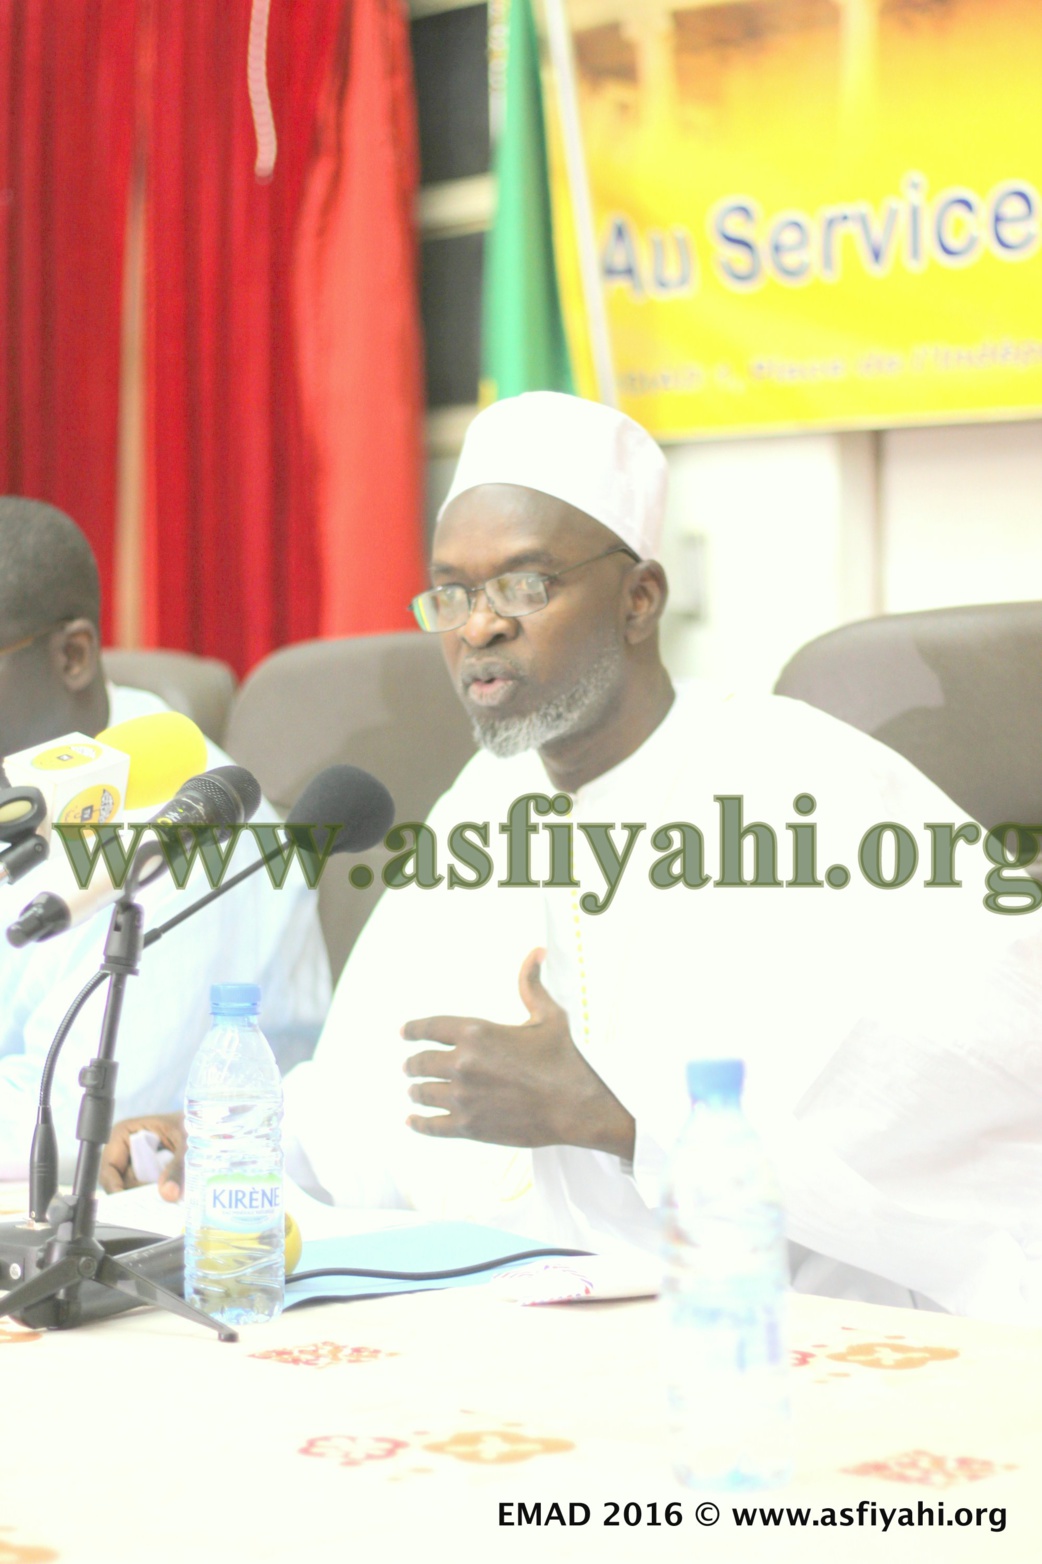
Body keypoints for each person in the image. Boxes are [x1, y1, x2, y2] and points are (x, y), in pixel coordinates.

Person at [102, 394, 1042, 1321]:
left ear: (639, 599)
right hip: (495, 1311)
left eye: (523, 585)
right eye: (454, 594)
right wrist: (228, 1143)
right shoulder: (485, 797)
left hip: (755, 1328)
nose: (478, 626)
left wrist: (621, 1119)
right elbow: (377, 1085)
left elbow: (968, 1086)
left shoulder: (800, 775)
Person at [0, 498, 331, 1177]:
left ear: (72, 655)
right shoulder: (22, 781)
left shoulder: (178, 824)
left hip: (213, 1222)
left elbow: (80, 1118)